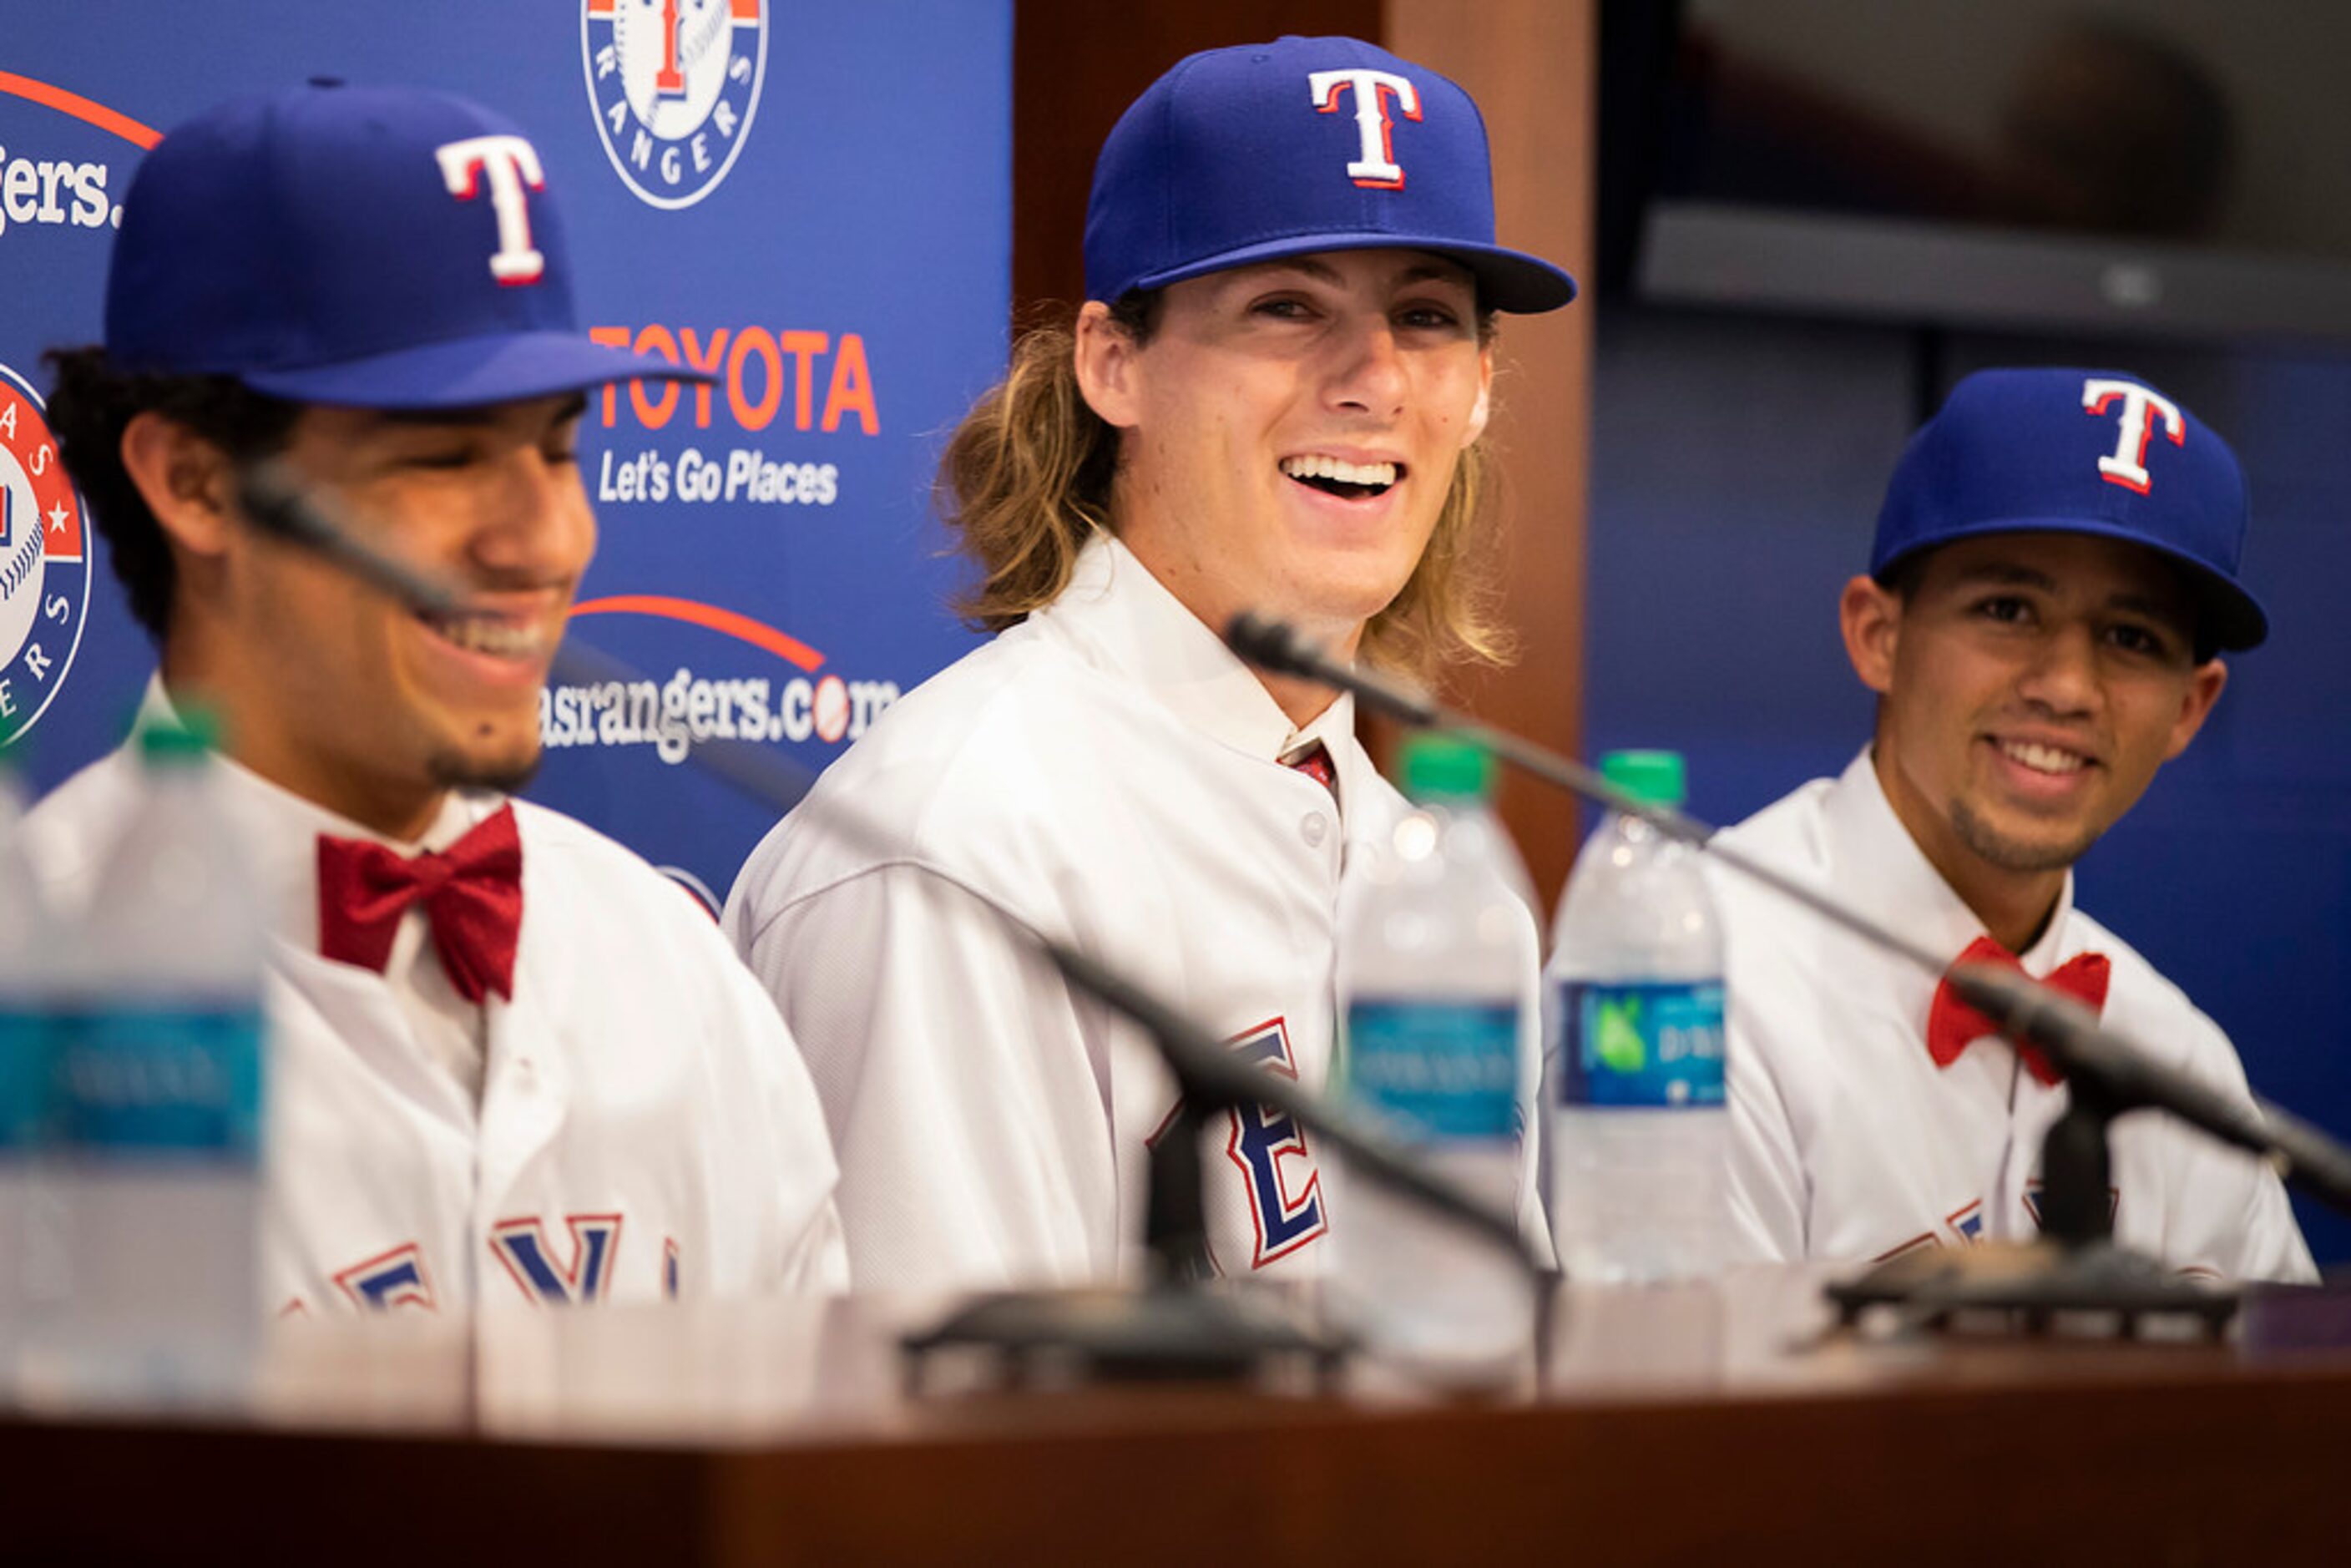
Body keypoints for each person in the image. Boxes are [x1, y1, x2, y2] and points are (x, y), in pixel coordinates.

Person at [724, 36, 1576, 1292]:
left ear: (1484, 387)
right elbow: (963, 1458)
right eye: (1289, 306)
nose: (1375, 379)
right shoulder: (957, 853)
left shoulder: (1447, 890)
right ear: (1112, 362)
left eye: (1427, 316)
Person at [27, 82, 847, 1312]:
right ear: (196, 482)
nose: (546, 537)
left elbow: (812, 1476)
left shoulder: (669, 964)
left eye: (561, 448)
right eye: (445, 455)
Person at [1712, 367, 2313, 1280]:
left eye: (2130, 639)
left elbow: (2287, 1420)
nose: (2065, 688)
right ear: (1877, 635)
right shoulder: (1695, 987)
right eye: (2006, 610)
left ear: (2189, 709)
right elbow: (1673, 1414)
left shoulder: (2181, 1061)